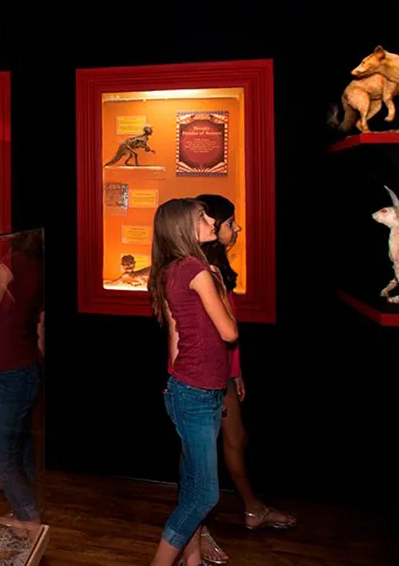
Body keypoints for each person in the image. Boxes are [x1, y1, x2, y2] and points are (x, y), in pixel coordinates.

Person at [191, 194, 296, 564]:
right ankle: (195, 533)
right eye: (230, 223)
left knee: (235, 440)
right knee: (199, 459)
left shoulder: (214, 266)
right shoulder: (198, 270)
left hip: (222, 372)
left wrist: (235, 372)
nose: (236, 229)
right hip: (204, 376)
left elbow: (228, 332)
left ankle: (253, 508)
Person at [148, 198, 238, 566]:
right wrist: (218, 287)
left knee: (191, 482)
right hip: (199, 391)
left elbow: (174, 337)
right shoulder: (198, 271)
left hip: (190, 387)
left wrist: (177, 381)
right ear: (184, 227)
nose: (212, 220)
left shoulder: (171, 269)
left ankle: (193, 559)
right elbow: (230, 332)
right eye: (203, 217)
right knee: (204, 495)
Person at [0, 234, 45, 531]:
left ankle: (31, 525)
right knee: (22, 450)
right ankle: (26, 514)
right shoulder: (37, 265)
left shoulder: (13, 263)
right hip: (26, 367)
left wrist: (0, 279)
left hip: (13, 372)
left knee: (1, 461)